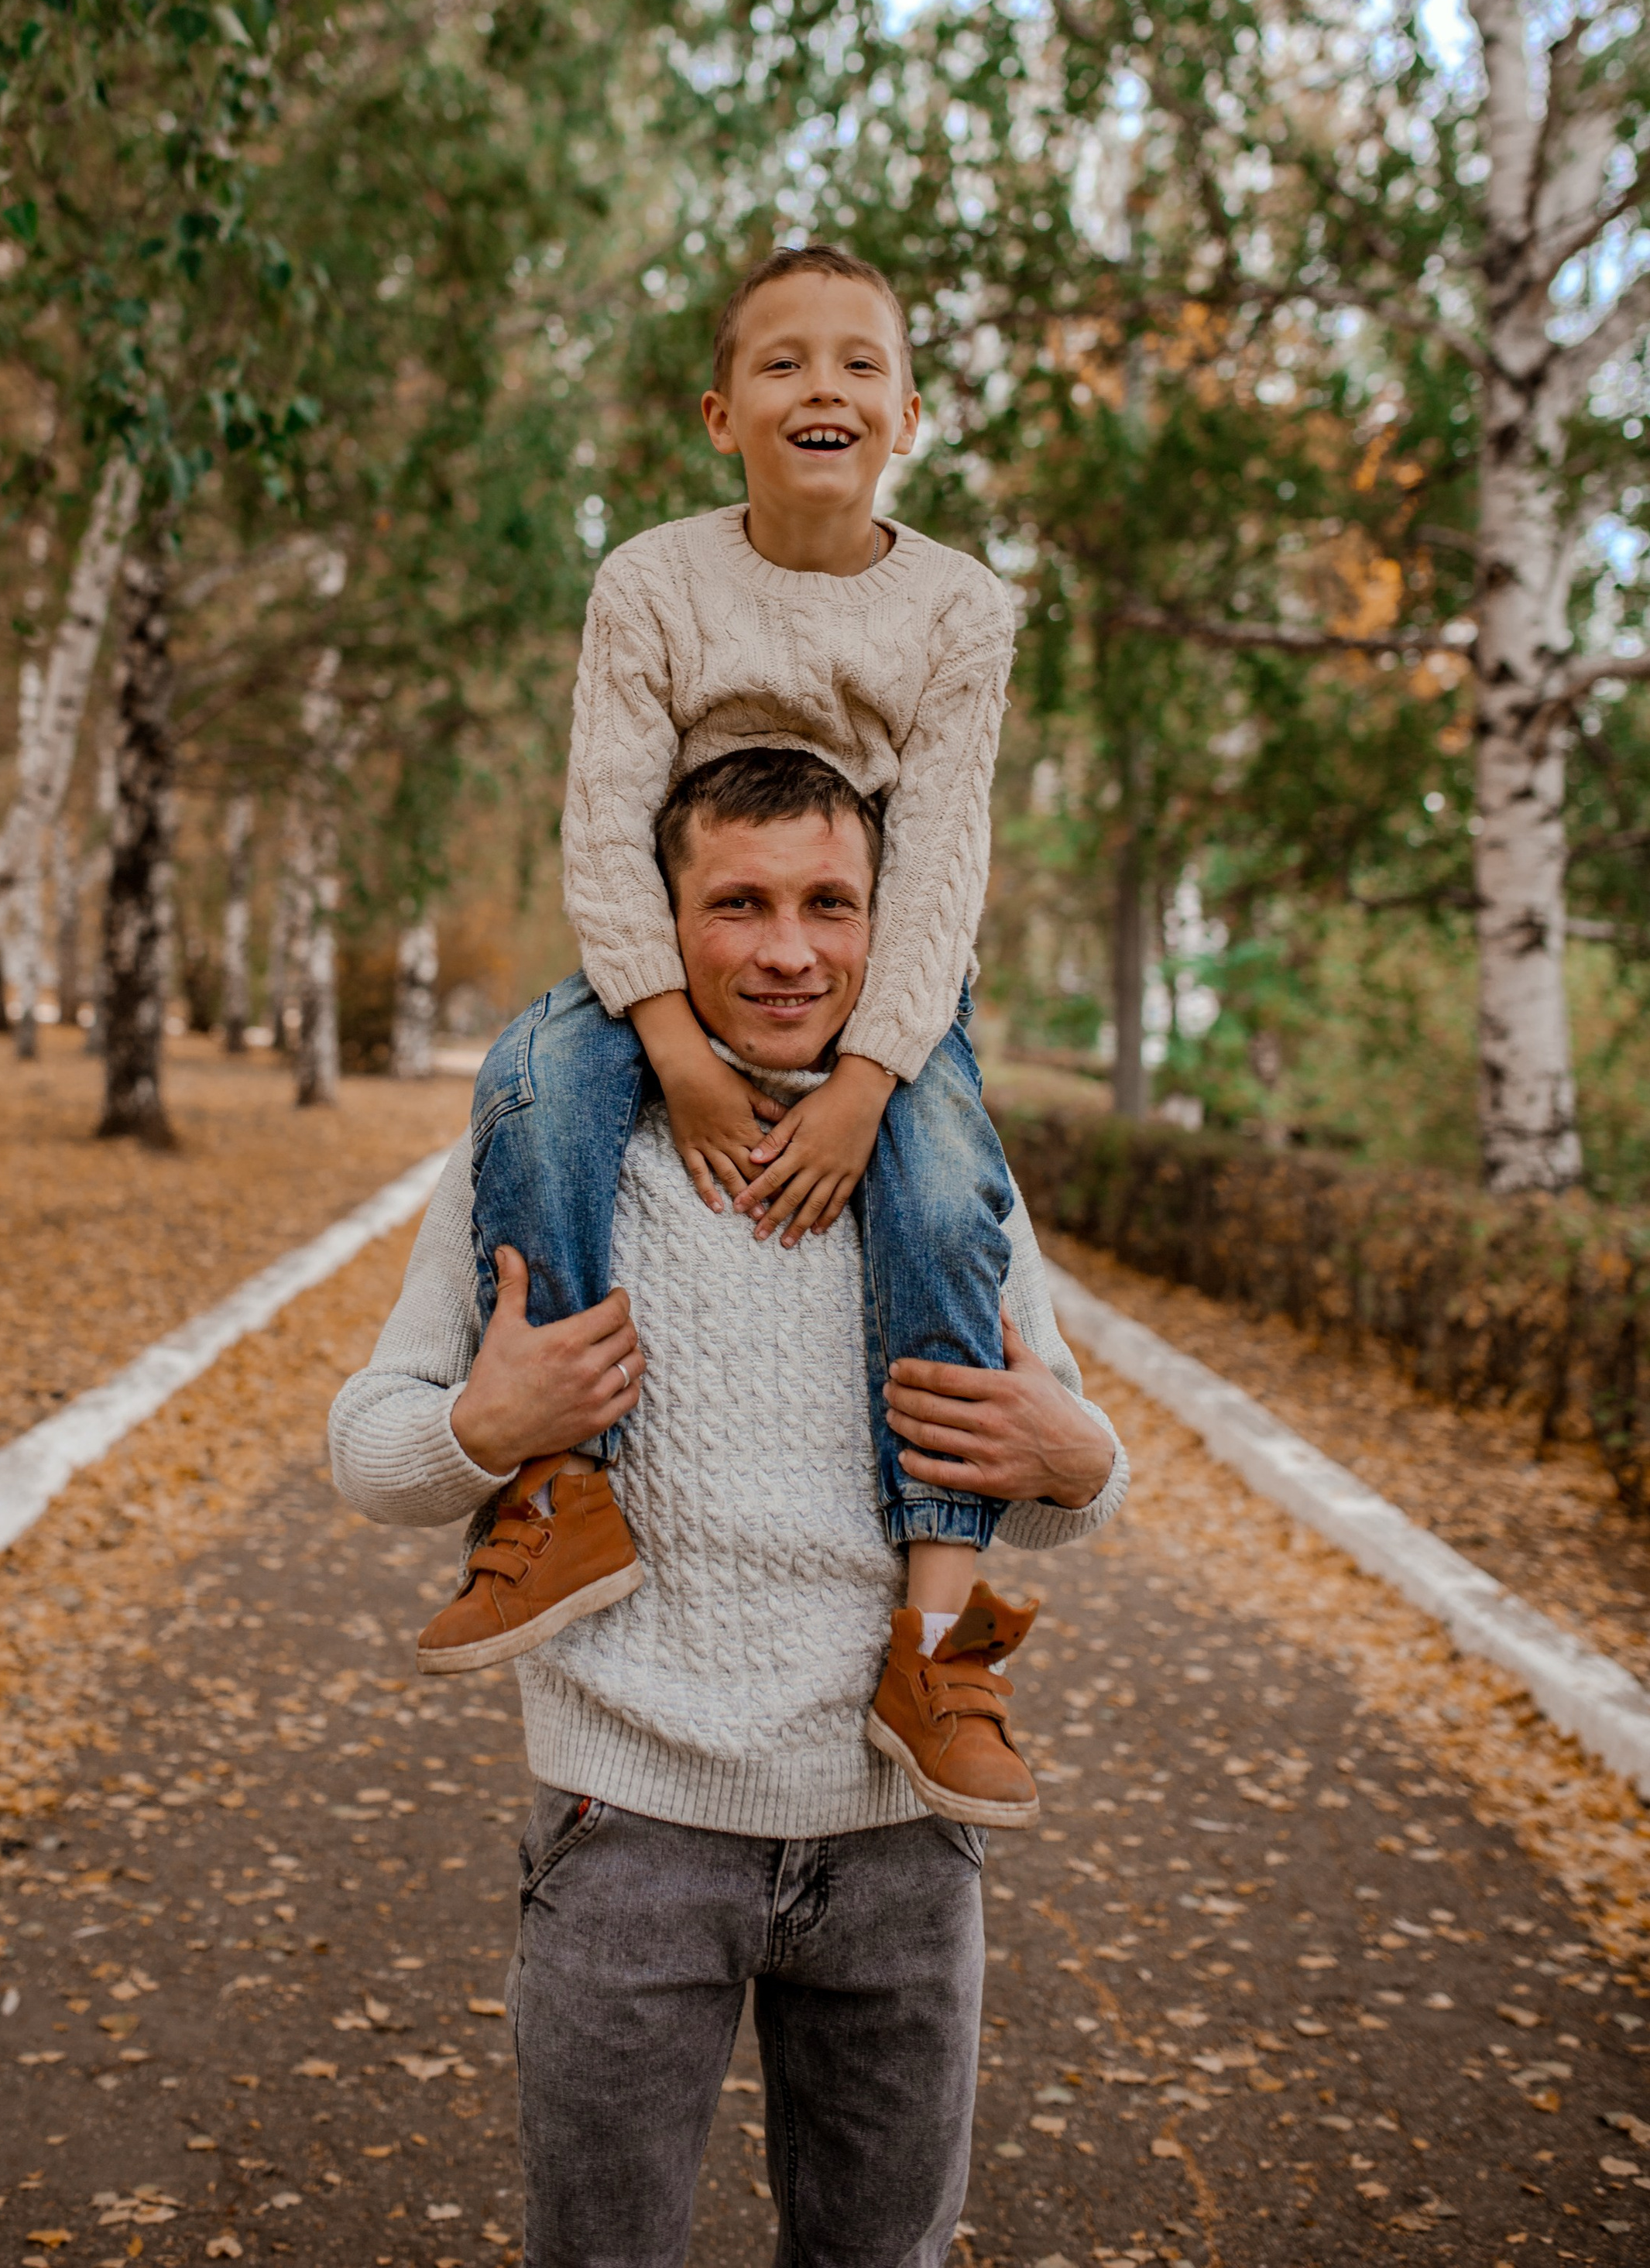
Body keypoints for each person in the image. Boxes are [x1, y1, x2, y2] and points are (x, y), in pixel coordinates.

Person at [328, 757, 1125, 2267]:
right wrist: (475, 1433)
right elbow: (368, 1448)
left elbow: (1068, 1464)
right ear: (661, 920)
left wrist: (1074, 1463)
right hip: (625, 1831)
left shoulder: (943, 1162)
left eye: (830, 904)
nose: (786, 950)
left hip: (904, 1840)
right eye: (738, 903)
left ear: (883, 924)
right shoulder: (553, 1139)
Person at [420, 244, 1027, 1811]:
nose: (818, 386)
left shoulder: (958, 607)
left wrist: (872, 1084)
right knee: (534, 1085)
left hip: (870, 973)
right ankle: (560, 1498)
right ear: (717, 412)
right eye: (780, 363)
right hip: (667, 955)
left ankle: (937, 1631)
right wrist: (670, 1049)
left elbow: (941, 860)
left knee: (948, 1189)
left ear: (909, 409)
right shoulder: (651, 583)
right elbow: (603, 822)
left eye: (853, 363)